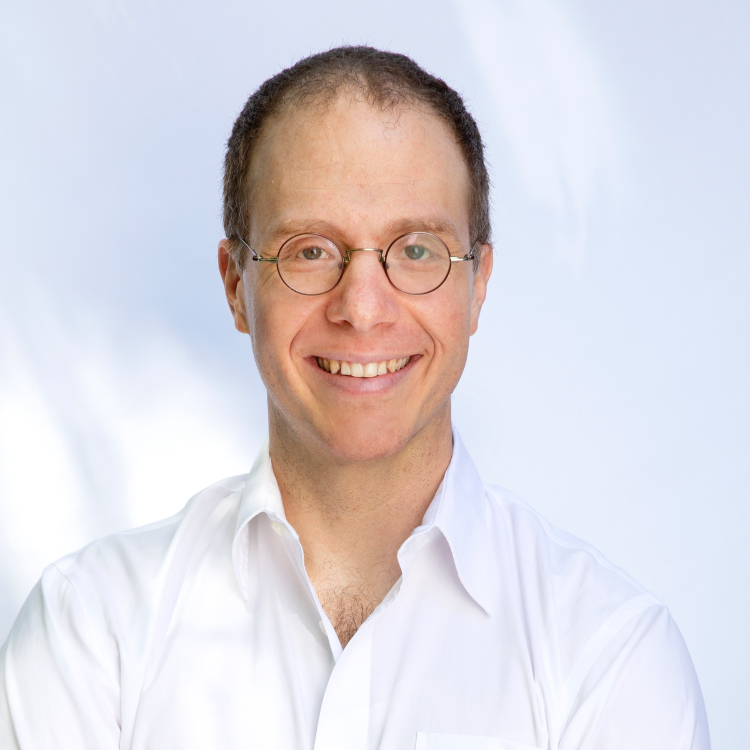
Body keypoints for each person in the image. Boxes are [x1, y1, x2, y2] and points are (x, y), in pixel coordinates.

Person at [0, 46, 709, 750]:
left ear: (478, 283)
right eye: (311, 250)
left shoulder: (610, 655)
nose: (363, 309)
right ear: (234, 285)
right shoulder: (89, 632)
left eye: (418, 250)